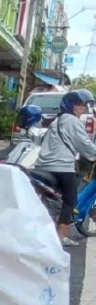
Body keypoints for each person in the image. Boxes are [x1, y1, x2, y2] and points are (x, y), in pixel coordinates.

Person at [34, 88, 96, 247]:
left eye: (84, 105)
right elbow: (85, 145)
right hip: (62, 167)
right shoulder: (73, 121)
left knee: (57, 199)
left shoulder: (57, 121)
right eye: (79, 105)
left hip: (43, 166)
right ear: (70, 105)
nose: (82, 108)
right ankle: (59, 239)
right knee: (70, 202)